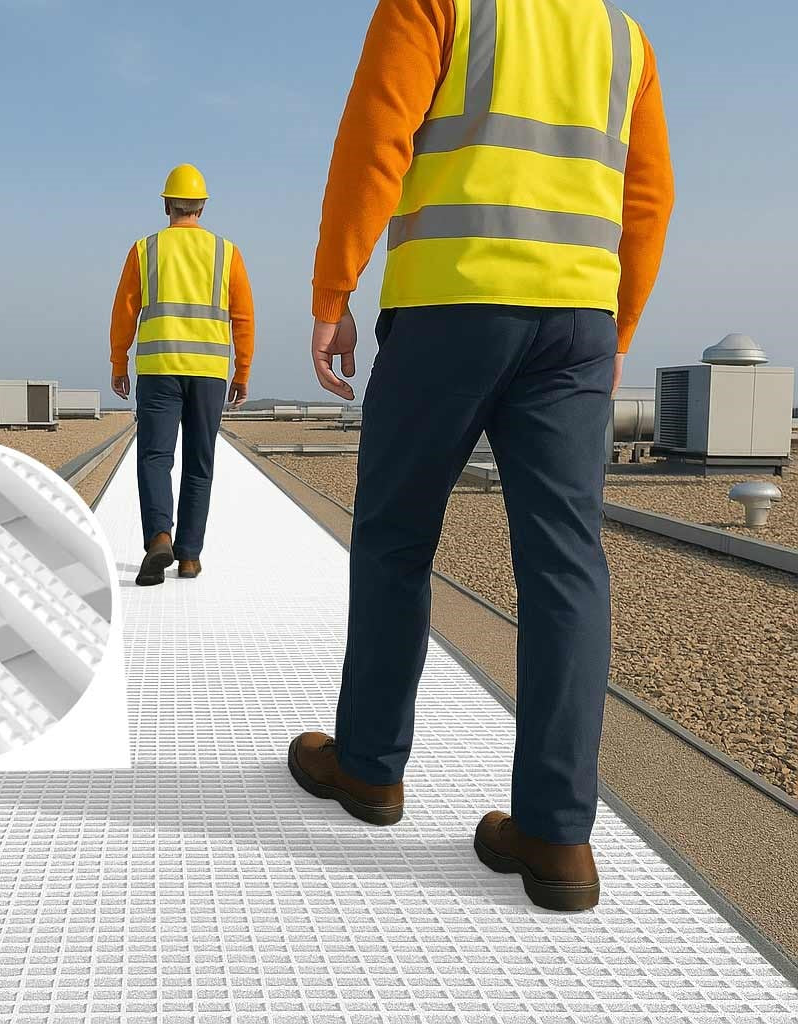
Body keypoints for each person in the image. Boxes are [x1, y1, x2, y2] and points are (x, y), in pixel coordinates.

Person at [289, 0, 674, 911]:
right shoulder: (623, 38)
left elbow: (374, 143)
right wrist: (618, 327)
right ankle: (557, 836)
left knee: (395, 540)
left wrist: (334, 290)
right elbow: (648, 197)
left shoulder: (436, 5)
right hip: (576, 325)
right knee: (567, 567)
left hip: (448, 307)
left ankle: (370, 768)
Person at [110, 164, 255, 585]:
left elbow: (124, 311)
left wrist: (119, 361)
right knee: (199, 463)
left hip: (159, 370)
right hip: (209, 373)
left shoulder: (145, 249)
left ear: (166, 205)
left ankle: (160, 535)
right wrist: (242, 370)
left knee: (155, 457)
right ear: (202, 206)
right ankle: (189, 557)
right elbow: (243, 316)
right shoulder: (226, 252)